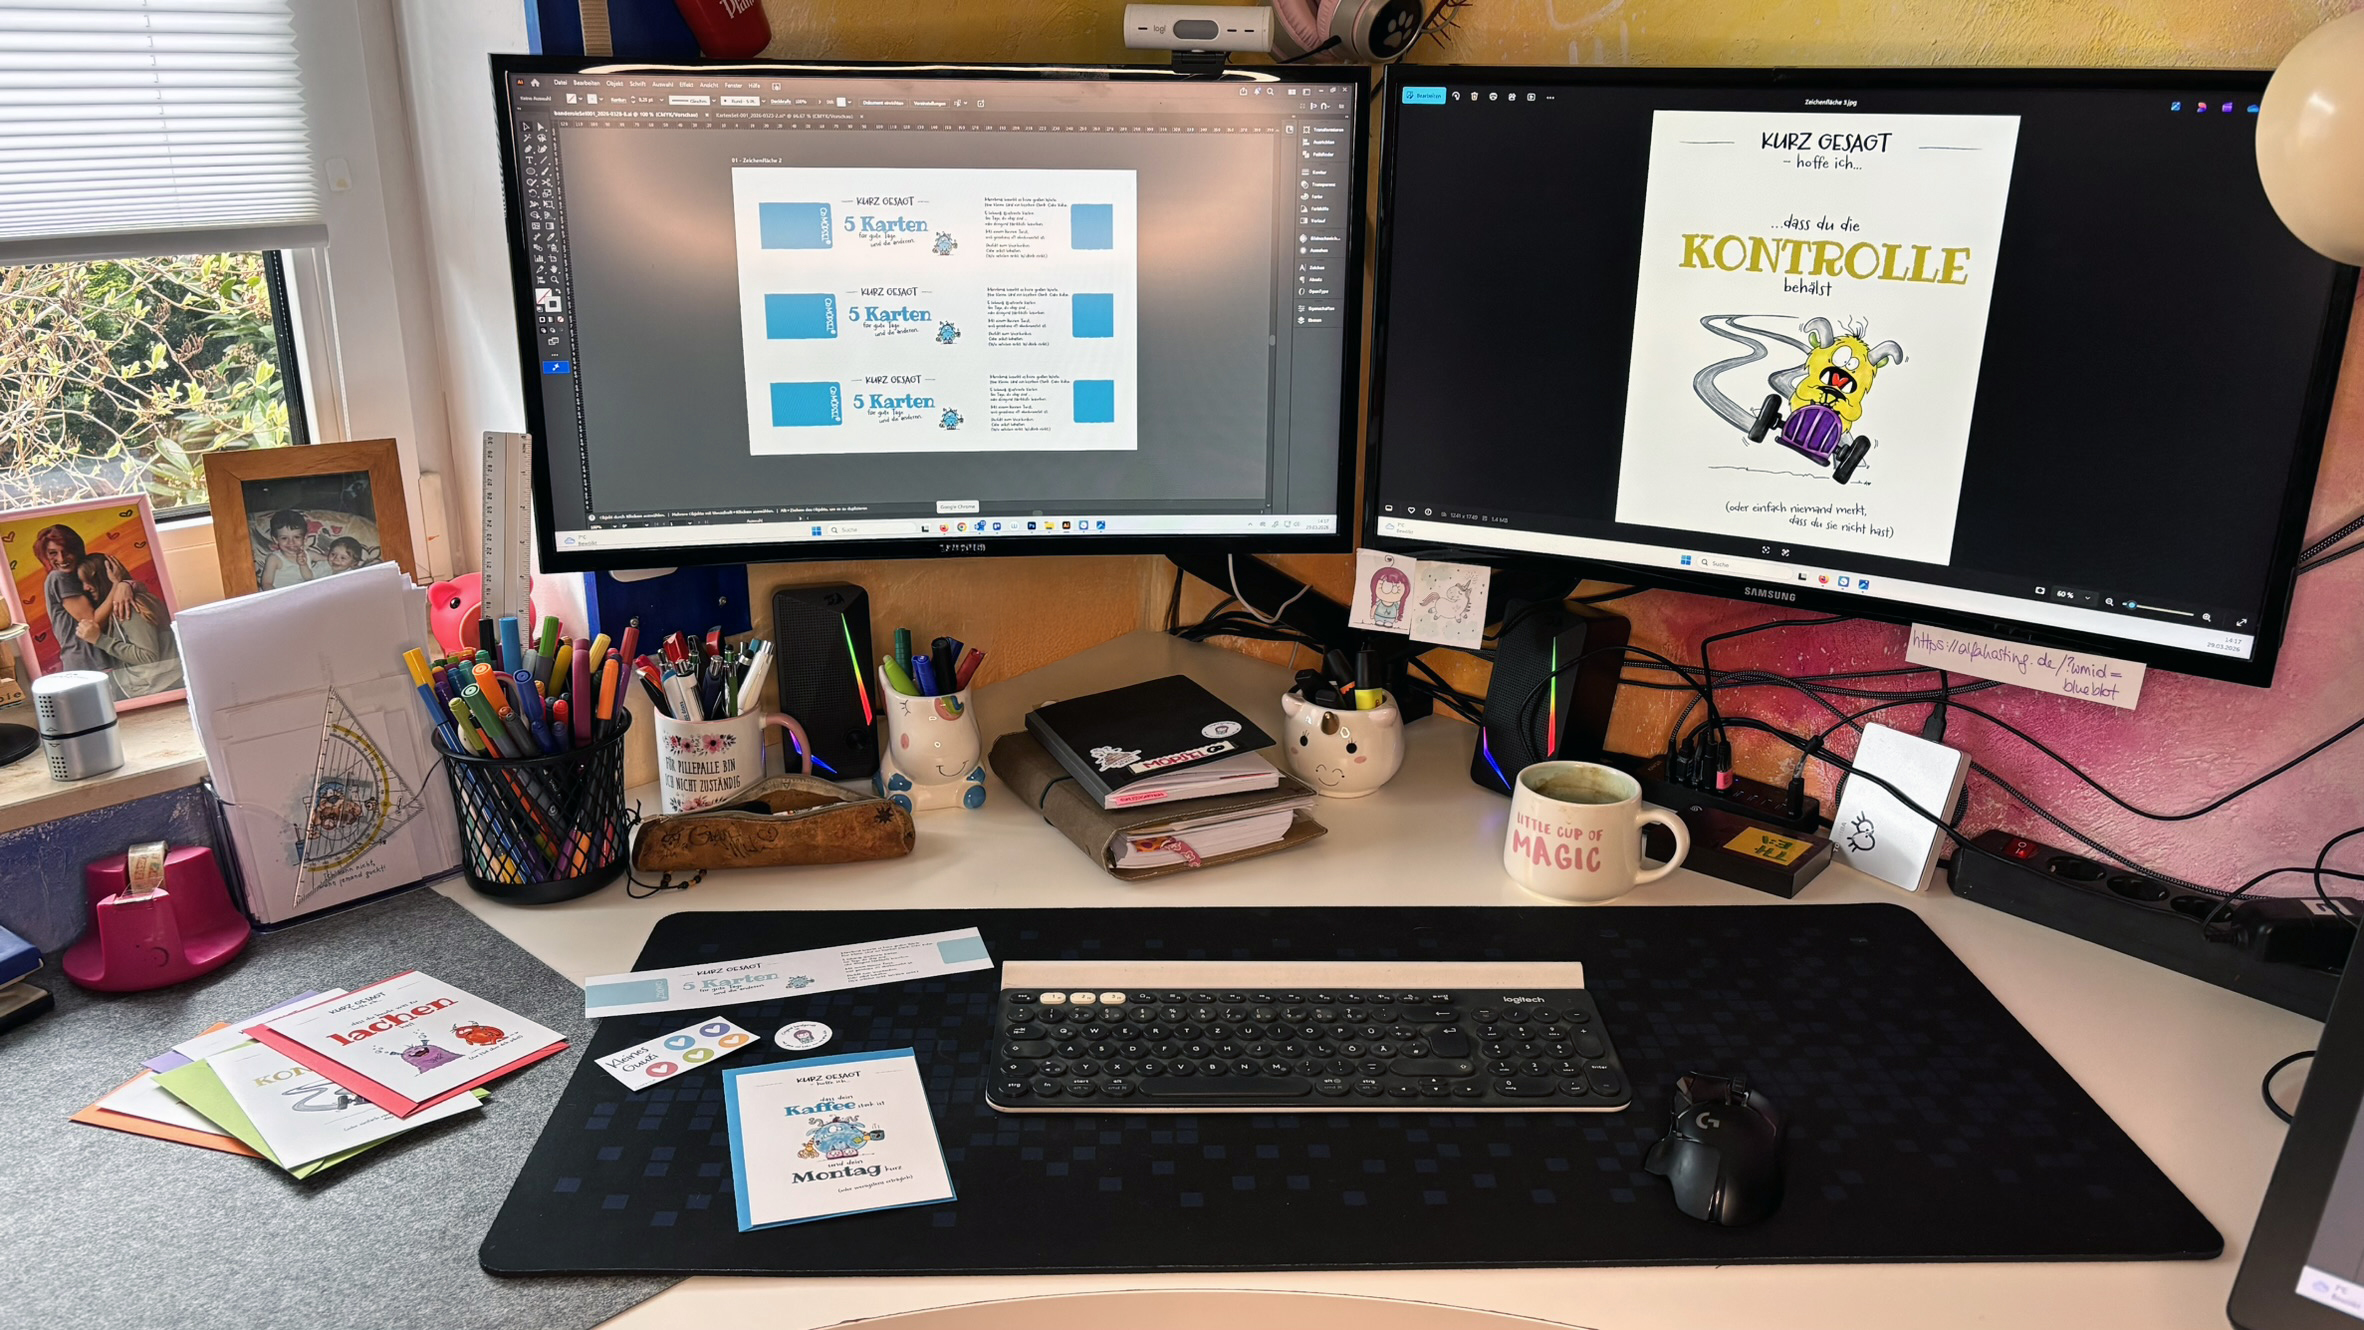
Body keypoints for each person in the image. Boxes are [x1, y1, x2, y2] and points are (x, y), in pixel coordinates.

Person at [33, 524, 144, 675]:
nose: (61, 559)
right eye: (53, 553)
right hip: (88, 661)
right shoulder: (59, 577)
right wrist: (117, 585)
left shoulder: (83, 572)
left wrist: (125, 585)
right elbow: (92, 622)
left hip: (101, 658)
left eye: (67, 551)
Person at [73, 553, 183, 698]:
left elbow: (148, 657)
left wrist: (99, 639)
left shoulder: (128, 606)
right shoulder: (124, 602)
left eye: (89, 581)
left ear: (104, 578)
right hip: (161, 685)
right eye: (82, 582)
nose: (86, 588)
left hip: (160, 688)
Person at [259, 509, 322, 589]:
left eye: (296, 537)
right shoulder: (274, 559)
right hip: (281, 594)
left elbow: (330, 559)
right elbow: (266, 584)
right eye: (284, 538)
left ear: (305, 538)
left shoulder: (309, 554)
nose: (291, 542)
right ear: (276, 540)